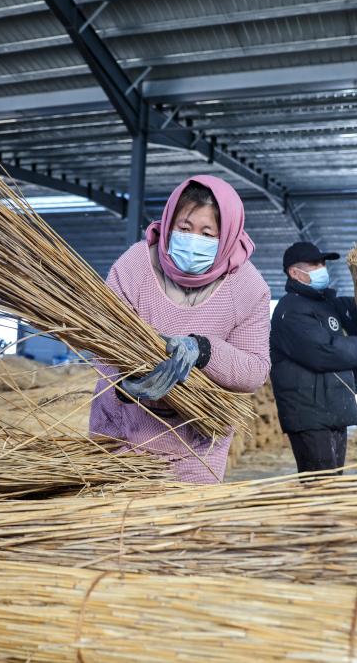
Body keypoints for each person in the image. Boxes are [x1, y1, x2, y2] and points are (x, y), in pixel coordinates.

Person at [89, 175, 271, 484]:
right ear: (169, 222)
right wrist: (126, 379)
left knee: (185, 529)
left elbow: (255, 370)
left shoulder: (248, 287)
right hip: (120, 436)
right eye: (185, 229)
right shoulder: (135, 266)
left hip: (197, 446)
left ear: (227, 235)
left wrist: (203, 351)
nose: (193, 239)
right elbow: (99, 337)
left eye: (207, 232)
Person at [270, 241, 357, 473]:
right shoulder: (290, 310)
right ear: (294, 273)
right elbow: (322, 352)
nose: (322, 268)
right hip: (310, 415)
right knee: (321, 486)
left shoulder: (329, 305)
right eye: (314, 264)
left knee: (333, 481)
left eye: (323, 263)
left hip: (334, 409)